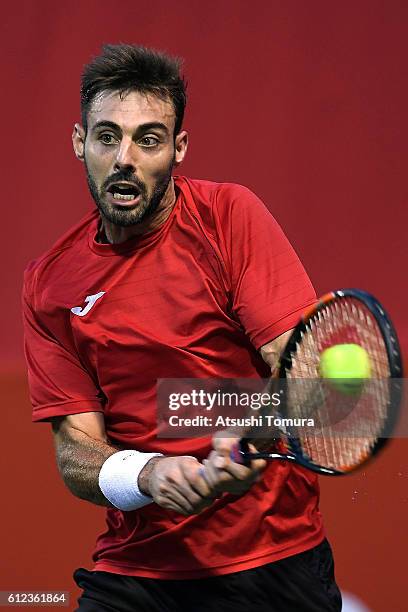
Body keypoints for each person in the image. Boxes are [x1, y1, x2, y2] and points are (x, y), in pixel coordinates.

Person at [22, 44, 341, 611]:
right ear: (79, 142)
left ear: (178, 149)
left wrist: (245, 444)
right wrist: (149, 474)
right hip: (135, 570)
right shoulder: (49, 284)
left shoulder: (229, 217)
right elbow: (75, 454)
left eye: (148, 138)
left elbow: (304, 372)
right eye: (106, 136)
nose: (125, 158)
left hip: (271, 564)